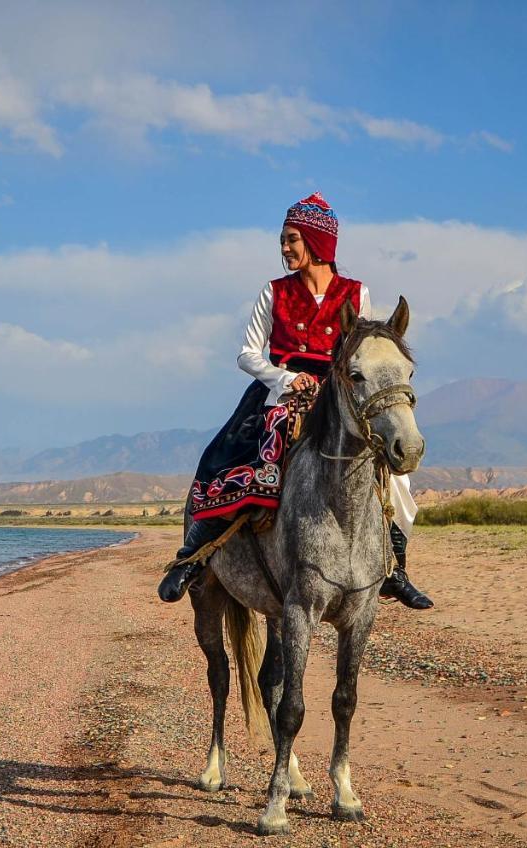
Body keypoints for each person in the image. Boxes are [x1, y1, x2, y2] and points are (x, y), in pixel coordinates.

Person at [157, 193, 433, 610]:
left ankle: (395, 568)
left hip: (341, 392)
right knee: (225, 455)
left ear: (316, 242)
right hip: (281, 391)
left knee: (394, 471)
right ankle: (193, 558)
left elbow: (366, 354)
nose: (284, 249)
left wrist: (340, 384)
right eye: (283, 241)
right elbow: (248, 354)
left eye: (292, 240)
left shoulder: (356, 293)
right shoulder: (274, 292)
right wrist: (287, 377)